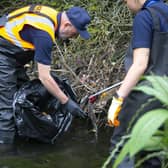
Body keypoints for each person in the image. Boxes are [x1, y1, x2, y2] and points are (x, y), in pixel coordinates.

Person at [0, 4, 91, 144]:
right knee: (7, 108)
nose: (73, 38)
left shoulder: (52, 15)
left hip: (11, 56)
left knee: (21, 97)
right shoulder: (44, 34)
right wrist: (66, 102)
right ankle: (7, 154)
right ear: (67, 25)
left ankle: (19, 138)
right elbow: (44, 77)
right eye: (75, 33)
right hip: (4, 55)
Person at [107, 0, 167, 167]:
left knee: (121, 148)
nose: (126, 4)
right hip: (165, 97)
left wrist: (118, 98)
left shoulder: (144, 16)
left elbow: (140, 64)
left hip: (144, 96)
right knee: (152, 153)